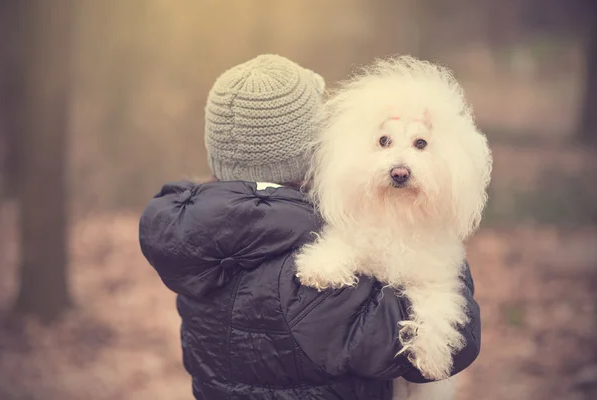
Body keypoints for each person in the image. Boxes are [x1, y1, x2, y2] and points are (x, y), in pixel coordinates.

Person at [138, 54, 481, 400]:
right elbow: (444, 346)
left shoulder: (198, 235)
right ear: (312, 149)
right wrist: (437, 233)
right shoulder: (302, 259)